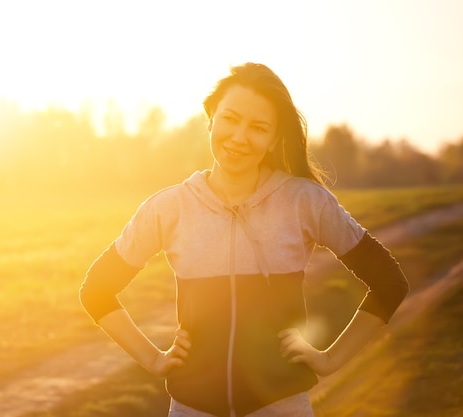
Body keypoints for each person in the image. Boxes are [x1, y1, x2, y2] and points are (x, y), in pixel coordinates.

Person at [79, 63, 409, 417]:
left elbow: (389, 283)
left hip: (280, 406)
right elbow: (96, 290)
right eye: (230, 119)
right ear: (210, 120)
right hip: (192, 408)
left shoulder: (305, 201)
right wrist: (152, 358)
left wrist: (329, 359)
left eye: (258, 128)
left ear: (273, 139)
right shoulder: (168, 207)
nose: (239, 136)